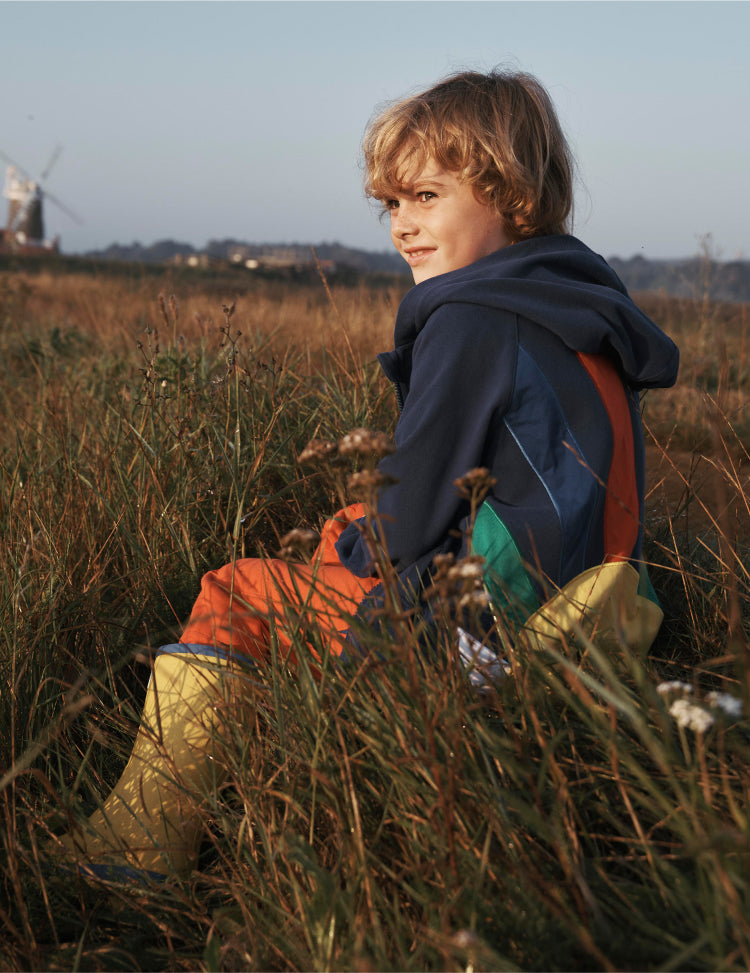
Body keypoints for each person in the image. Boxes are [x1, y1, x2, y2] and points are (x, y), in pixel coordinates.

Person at [55, 68, 679, 882]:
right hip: (583, 589)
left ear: (512, 194)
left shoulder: (471, 317)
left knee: (238, 590)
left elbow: (402, 526)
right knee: (341, 539)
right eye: (390, 204)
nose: (401, 227)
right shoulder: (577, 305)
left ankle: (138, 854)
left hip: (480, 622)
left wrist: (356, 536)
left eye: (424, 197)